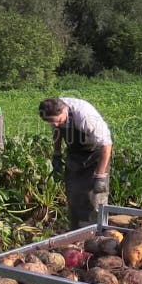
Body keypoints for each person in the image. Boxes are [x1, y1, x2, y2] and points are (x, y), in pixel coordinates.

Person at [38, 98, 112, 230]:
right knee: (74, 195)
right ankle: (75, 232)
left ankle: (97, 233)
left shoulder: (86, 117)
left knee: (95, 198)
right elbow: (57, 132)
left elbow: (106, 145)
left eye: (58, 121)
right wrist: (57, 154)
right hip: (74, 153)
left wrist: (100, 175)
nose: (55, 124)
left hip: (95, 155)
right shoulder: (53, 112)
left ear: (64, 110)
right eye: (51, 122)